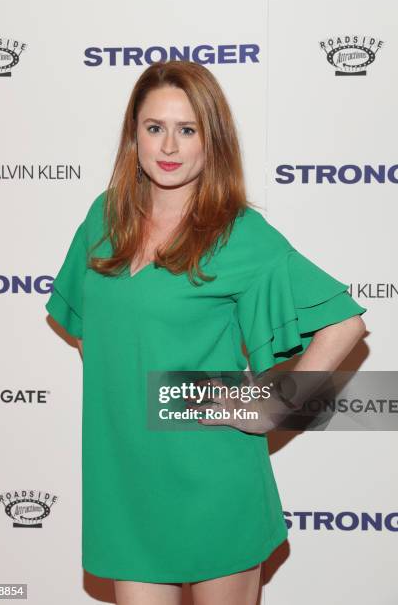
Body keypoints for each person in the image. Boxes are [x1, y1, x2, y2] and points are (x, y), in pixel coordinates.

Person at [45, 60, 367, 605]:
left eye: (187, 129)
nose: (169, 146)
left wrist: (274, 406)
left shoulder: (239, 232)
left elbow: (344, 323)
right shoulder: (103, 219)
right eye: (154, 128)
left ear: (209, 140)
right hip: (126, 485)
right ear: (134, 137)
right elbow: (86, 332)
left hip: (216, 480)